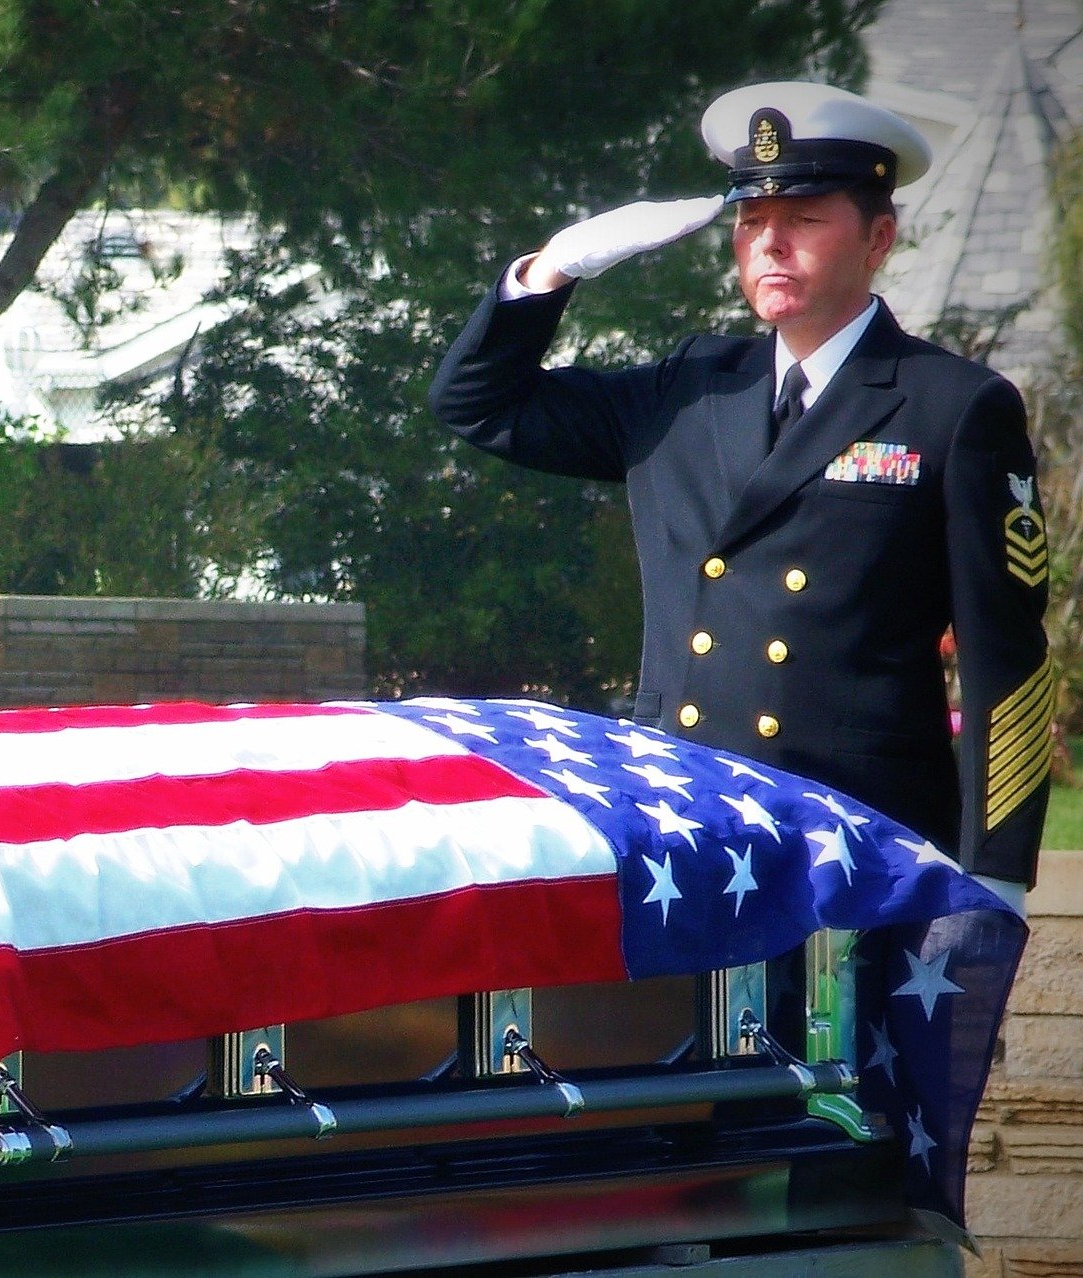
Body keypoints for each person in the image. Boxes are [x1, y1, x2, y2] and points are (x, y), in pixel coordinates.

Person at [429, 81, 1048, 908]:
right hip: (686, 836)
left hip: (861, 846)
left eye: (803, 220)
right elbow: (478, 405)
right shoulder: (689, 388)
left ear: (879, 238)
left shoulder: (951, 404)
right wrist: (550, 270)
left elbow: (1003, 657)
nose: (770, 246)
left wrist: (995, 874)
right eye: (752, 223)